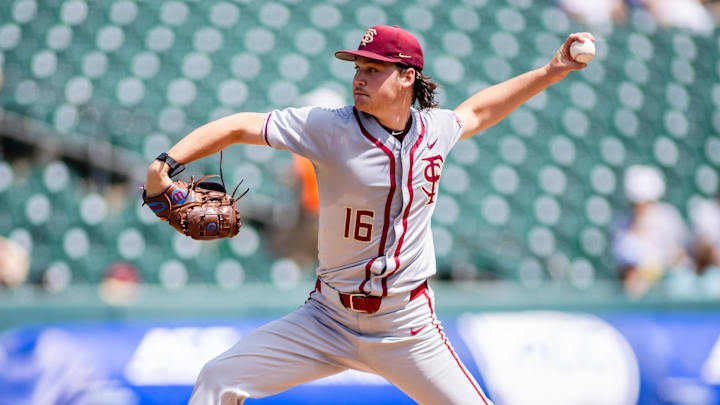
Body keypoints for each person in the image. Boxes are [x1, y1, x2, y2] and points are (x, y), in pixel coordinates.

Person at [145, 25, 594, 405]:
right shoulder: (329, 128)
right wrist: (165, 164)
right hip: (326, 319)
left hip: (407, 326)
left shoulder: (435, 131)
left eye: (373, 69)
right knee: (217, 377)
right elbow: (239, 125)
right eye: (358, 68)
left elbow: (478, 110)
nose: (359, 78)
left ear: (406, 77)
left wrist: (551, 71)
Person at [612, 165, 693, 297]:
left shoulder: (668, 217)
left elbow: (680, 255)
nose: (641, 206)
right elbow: (628, 266)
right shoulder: (622, 224)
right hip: (642, 285)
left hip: (670, 281)